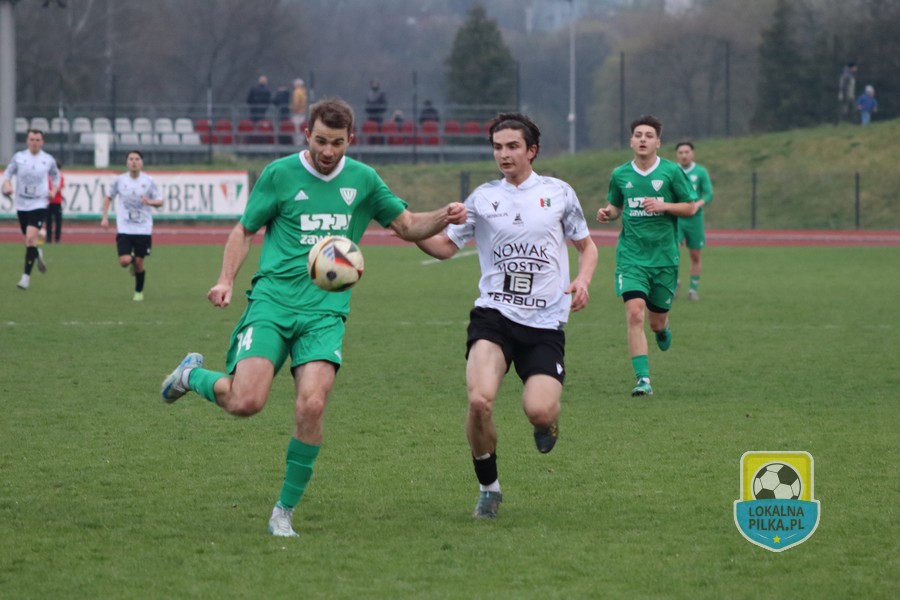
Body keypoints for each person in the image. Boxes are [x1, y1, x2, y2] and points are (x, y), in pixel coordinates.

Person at [159, 98, 467, 538]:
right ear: (306, 134)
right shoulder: (280, 174)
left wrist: (444, 215)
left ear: (351, 140)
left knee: (313, 404)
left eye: (337, 143)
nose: (327, 150)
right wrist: (225, 279)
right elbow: (244, 230)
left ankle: (283, 511)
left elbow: (407, 225)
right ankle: (191, 376)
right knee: (246, 402)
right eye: (320, 140)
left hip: (325, 312)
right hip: (272, 304)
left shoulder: (363, 180)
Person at [414, 113, 598, 520]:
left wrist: (583, 280)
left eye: (513, 146)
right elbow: (445, 247)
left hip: (545, 323)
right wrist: (410, 231)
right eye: (497, 147)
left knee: (539, 410)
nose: (504, 154)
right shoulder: (482, 198)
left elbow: (588, 248)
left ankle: (547, 422)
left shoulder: (558, 193)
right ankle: (489, 488)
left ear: (532, 150)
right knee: (479, 401)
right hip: (494, 316)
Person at [596, 115, 698, 397]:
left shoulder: (671, 172)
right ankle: (643, 379)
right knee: (634, 313)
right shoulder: (620, 174)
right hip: (631, 257)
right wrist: (608, 213)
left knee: (656, 321)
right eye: (638, 135)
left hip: (664, 258)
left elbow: (690, 208)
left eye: (649, 135)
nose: (643, 139)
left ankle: (663, 329)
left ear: (658, 142)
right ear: (631, 141)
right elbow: (616, 206)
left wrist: (665, 206)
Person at [100, 151, 164, 301]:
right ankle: (132, 261)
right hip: (125, 227)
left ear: (141, 162)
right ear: (127, 162)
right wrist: (105, 217)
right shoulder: (120, 180)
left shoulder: (148, 181)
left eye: (137, 159)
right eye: (131, 159)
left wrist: (149, 202)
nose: (134, 162)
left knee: (140, 264)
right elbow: (108, 197)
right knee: (124, 261)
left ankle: (138, 292)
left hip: (143, 228)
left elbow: (160, 201)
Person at [2, 129, 60, 290]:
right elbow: (8, 173)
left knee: (29, 238)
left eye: (37, 140)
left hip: (39, 203)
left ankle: (25, 278)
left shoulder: (48, 159)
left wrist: (54, 191)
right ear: (27, 141)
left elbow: (57, 176)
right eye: (32, 139)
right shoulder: (19, 157)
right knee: (30, 241)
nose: (35, 143)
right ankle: (36, 253)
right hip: (22, 204)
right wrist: (7, 185)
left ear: (42, 142)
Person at [674, 141, 713, 301]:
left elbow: (709, 194)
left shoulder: (701, 172)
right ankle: (675, 283)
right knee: (673, 252)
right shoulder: (672, 170)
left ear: (692, 153)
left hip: (694, 220)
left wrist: (697, 204)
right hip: (676, 219)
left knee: (695, 256)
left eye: (687, 152)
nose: (684, 155)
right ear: (677, 155)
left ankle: (692, 290)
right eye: (681, 152)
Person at [44, 161, 64, 244]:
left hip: (57, 202)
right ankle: (48, 238)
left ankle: (57, 239)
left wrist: (51, 191)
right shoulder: (47, 177)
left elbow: (59, 188)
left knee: (58, 222)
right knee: (48, 221)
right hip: (48, 202)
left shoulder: (60, 177)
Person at [290, 78, 308, 143]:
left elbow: (296, 103)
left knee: (296, 128)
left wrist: (292, 109)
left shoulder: (296, 92)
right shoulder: (304, 92)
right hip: (303, 111)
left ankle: (297, 141)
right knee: (301, 127)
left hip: (297, 112)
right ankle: (301, 140)